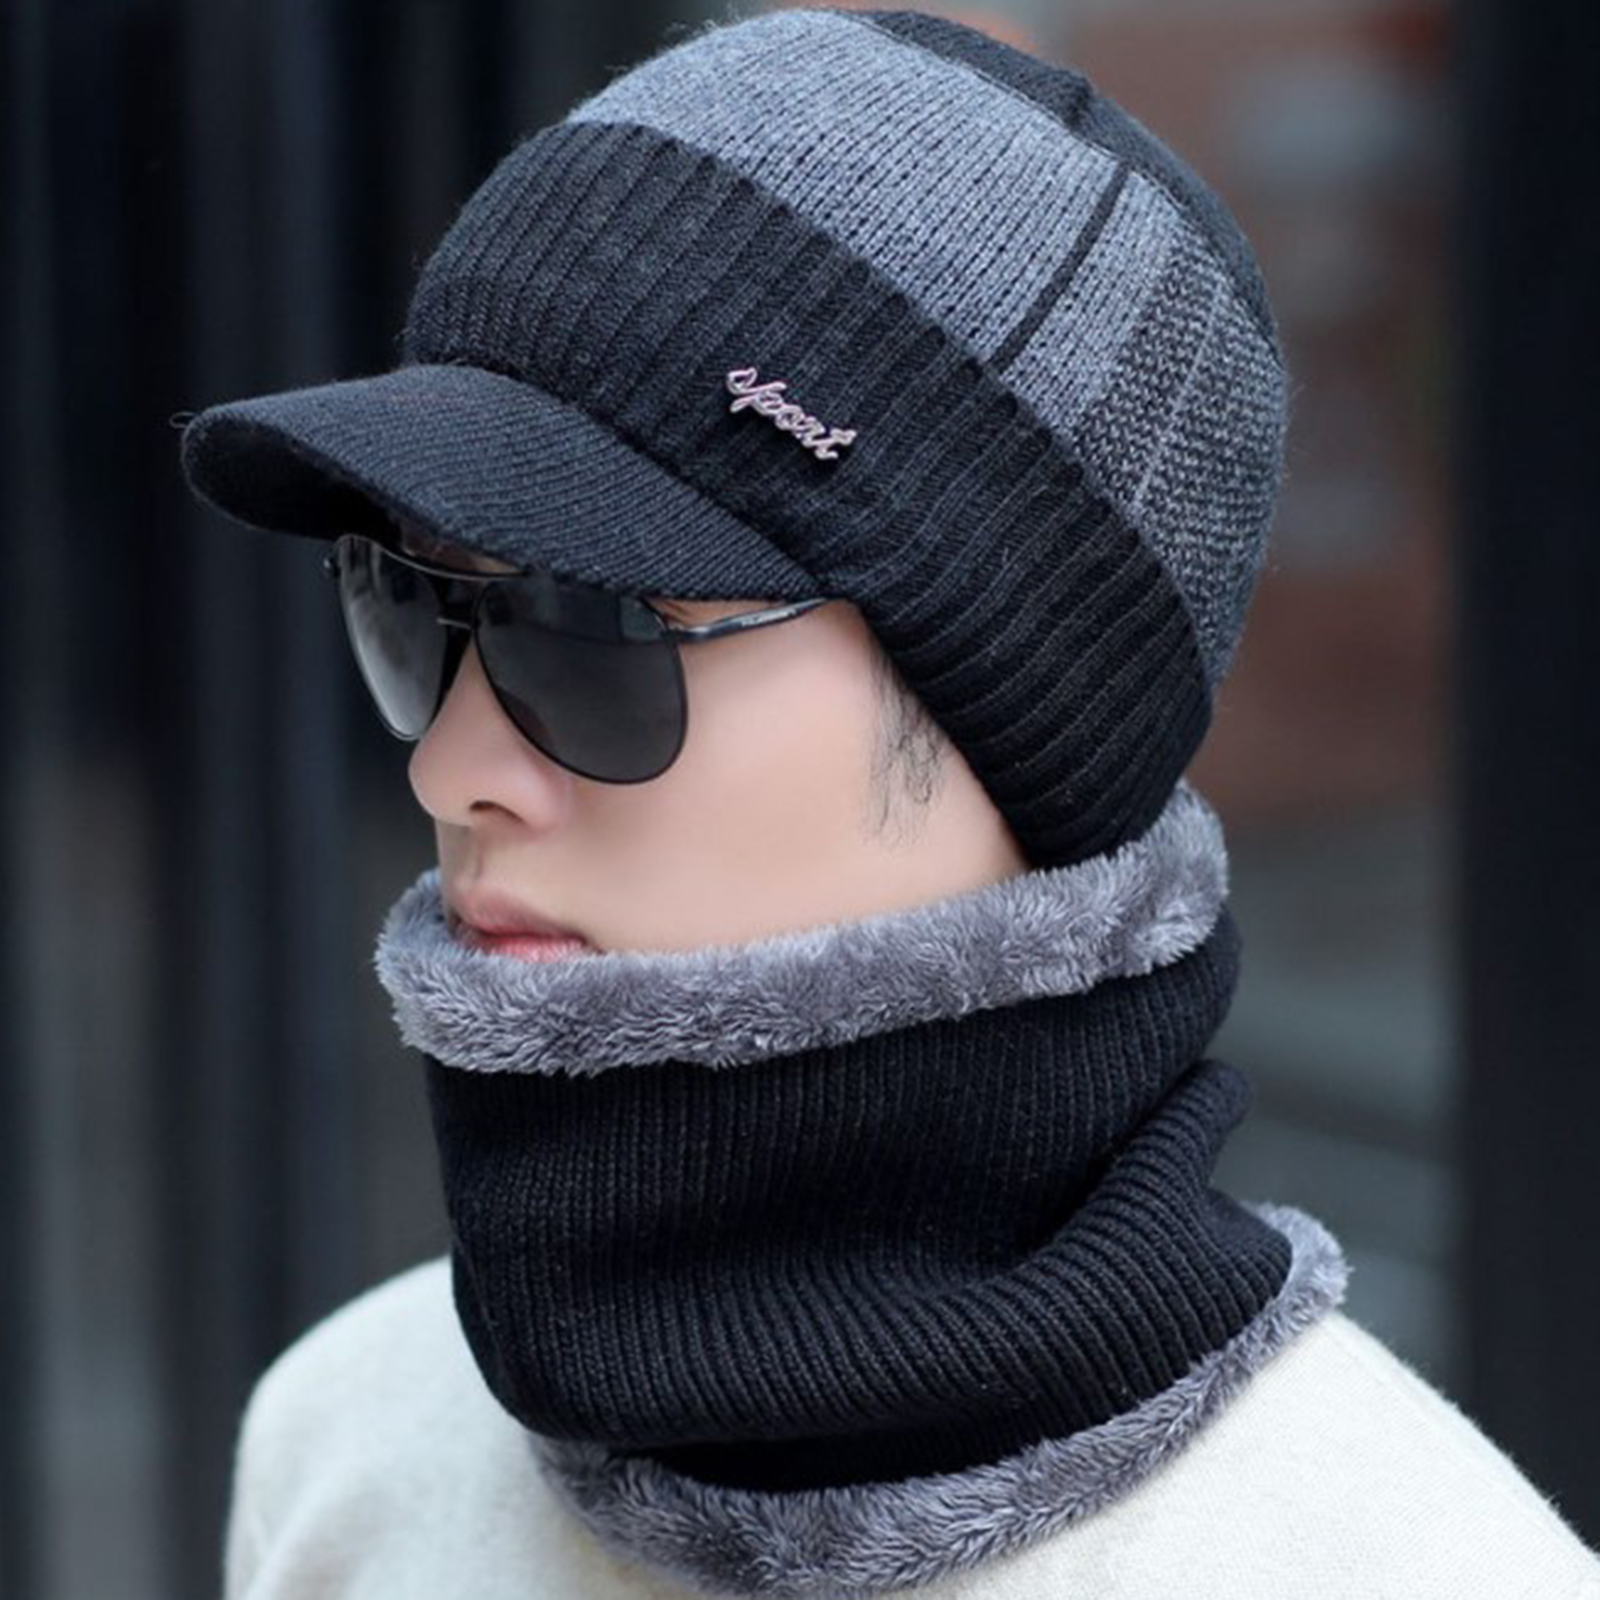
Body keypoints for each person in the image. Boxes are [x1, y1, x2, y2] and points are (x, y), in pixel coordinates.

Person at [176, 8, 1600, 1598]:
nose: (450, 768)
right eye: (410, 604)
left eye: (587, 627)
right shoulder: (346, 1445)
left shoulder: (1400, 1566)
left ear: (1017, 722)